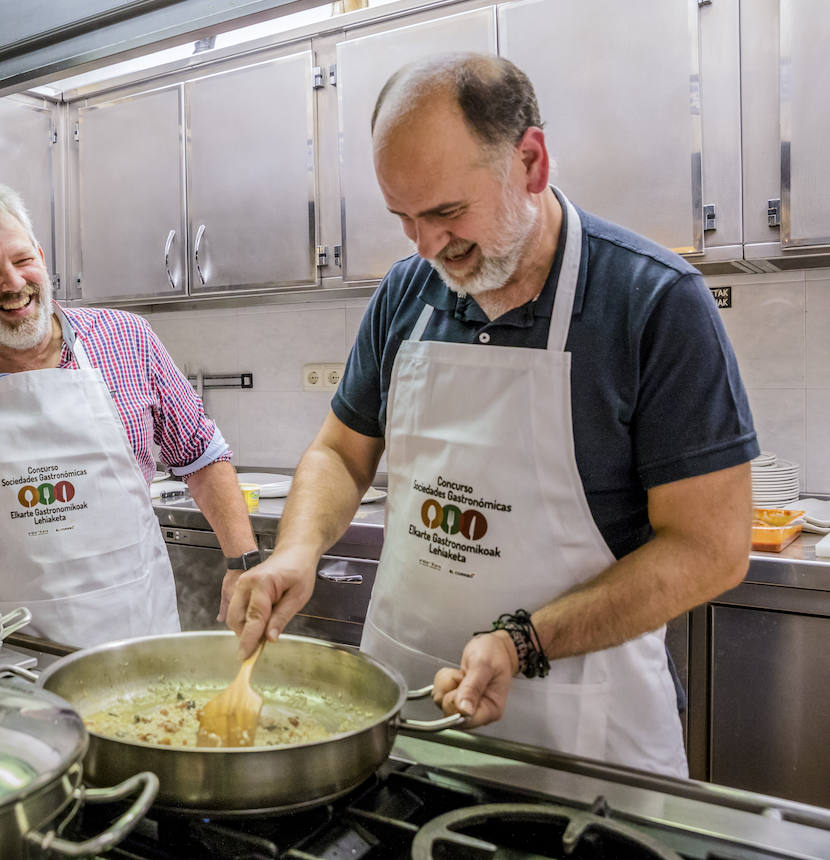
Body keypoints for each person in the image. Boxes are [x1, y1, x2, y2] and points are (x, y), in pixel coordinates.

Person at [225, 53, 756, 776]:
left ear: (530, 161)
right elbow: (340, 454)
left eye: (445, 212)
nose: (425, 246)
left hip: (582, 744)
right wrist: (297, 549)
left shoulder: (653, 303)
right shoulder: (406, 294)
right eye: (403, 219)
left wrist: (522, 641)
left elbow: (710, 548)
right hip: (406, 718)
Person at [0, 181, 259, 648]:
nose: (14, 284)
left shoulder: (127, 341)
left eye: (22, 261)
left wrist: (241, 562)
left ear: (41, 257)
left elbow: (202, 457)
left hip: (135, 637)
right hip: (8, 653)